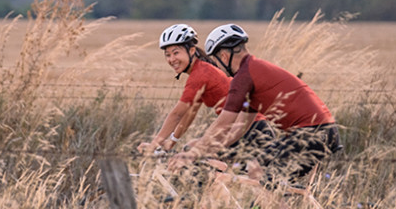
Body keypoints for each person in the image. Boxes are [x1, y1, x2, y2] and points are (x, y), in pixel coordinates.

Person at [168, 23, 342, 186]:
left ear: (224, 56)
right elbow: (240, 127)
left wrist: (192, 154)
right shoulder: (254, 70)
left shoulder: (244, 77)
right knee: (260, 172)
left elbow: (224, 121)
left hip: (310, 133)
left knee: (262, 178)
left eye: (216, 60)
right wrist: (214, 148)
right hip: (322, 132)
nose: (217, 66)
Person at [136, 24, 261, 155]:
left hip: (249, 128)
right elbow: (190, 112)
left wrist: (154, 145)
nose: (172, 59)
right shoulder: (202, 69)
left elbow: (176, 114)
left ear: (191, 51)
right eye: (167, 55)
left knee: (197, 157)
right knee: (191, 150)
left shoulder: (200, 74)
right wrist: (171, 141)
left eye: (176, 53)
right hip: (244, 126)